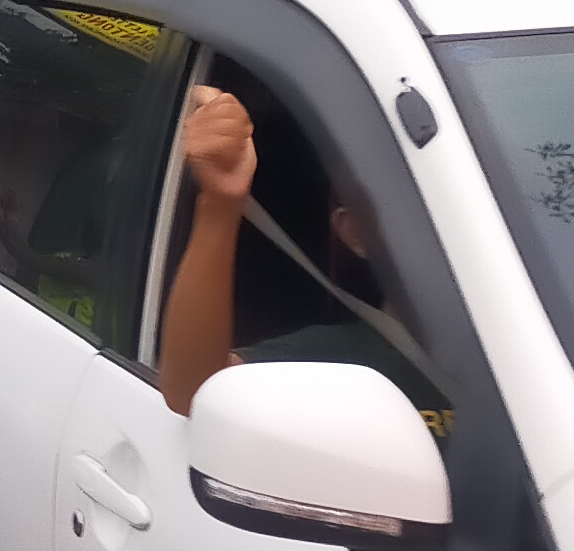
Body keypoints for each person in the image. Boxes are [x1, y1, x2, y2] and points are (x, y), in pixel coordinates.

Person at [155, 80, 442, 427]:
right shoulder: (341, 359)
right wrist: (220, 202)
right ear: (356, 232)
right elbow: (195, 392)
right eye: (421, 210)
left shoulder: (517, 347)